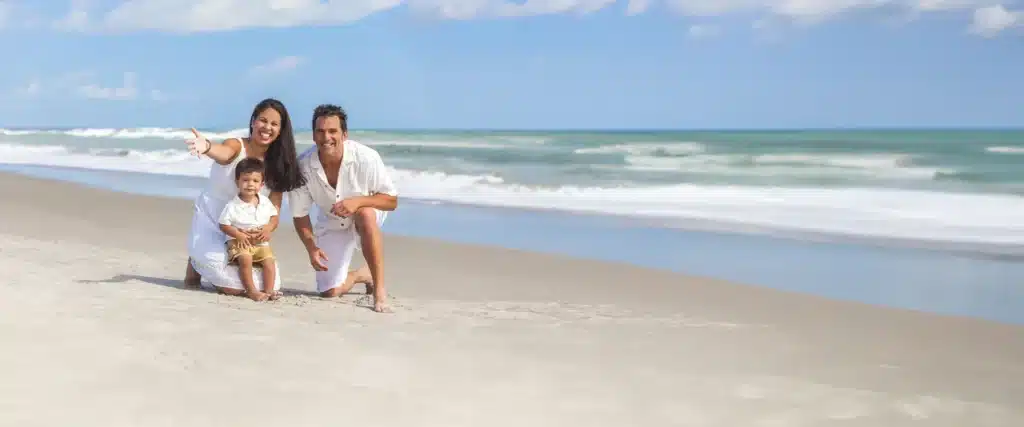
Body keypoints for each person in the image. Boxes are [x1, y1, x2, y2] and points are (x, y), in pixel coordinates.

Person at [182, 98, 306, 296]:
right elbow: (224, 153)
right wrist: (207, 147)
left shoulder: (278, 165)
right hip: (212, 222)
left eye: (274, 124)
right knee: (233, 287)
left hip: (245, 234)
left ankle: (202, 262)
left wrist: (267, 229)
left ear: (281, 130)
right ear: (253, 121)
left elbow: (274, 212)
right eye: (263, 120)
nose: (267, 127)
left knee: (271, 286)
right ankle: (197, 261)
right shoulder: (236, 145)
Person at [290, 104, 399, 313]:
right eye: (320, 131)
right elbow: (299, 214)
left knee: (365, 213)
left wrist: (358, 202)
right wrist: (311, 247)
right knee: (329, 292)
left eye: (333, 131)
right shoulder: (302, 166)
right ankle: (362, 274)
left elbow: (391, 201)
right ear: (313, 135)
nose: (326, 137)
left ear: (344, 134)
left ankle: (379, 290)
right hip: (332, 222)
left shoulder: (366, 158)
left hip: (366, 213)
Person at [218, 158, 280, 302]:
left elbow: (274, 217)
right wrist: (238, 234)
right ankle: (252, 291)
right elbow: (223, 225)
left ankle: (269, 291)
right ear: (237, 182)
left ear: (262, 184)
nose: (250, 184)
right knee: (246, 260)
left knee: (269, 262)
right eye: (245, 180)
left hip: (260, 243)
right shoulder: (233, 205)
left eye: (255, 181)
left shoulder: (265, 202)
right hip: (240, 242)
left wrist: (268, 229)